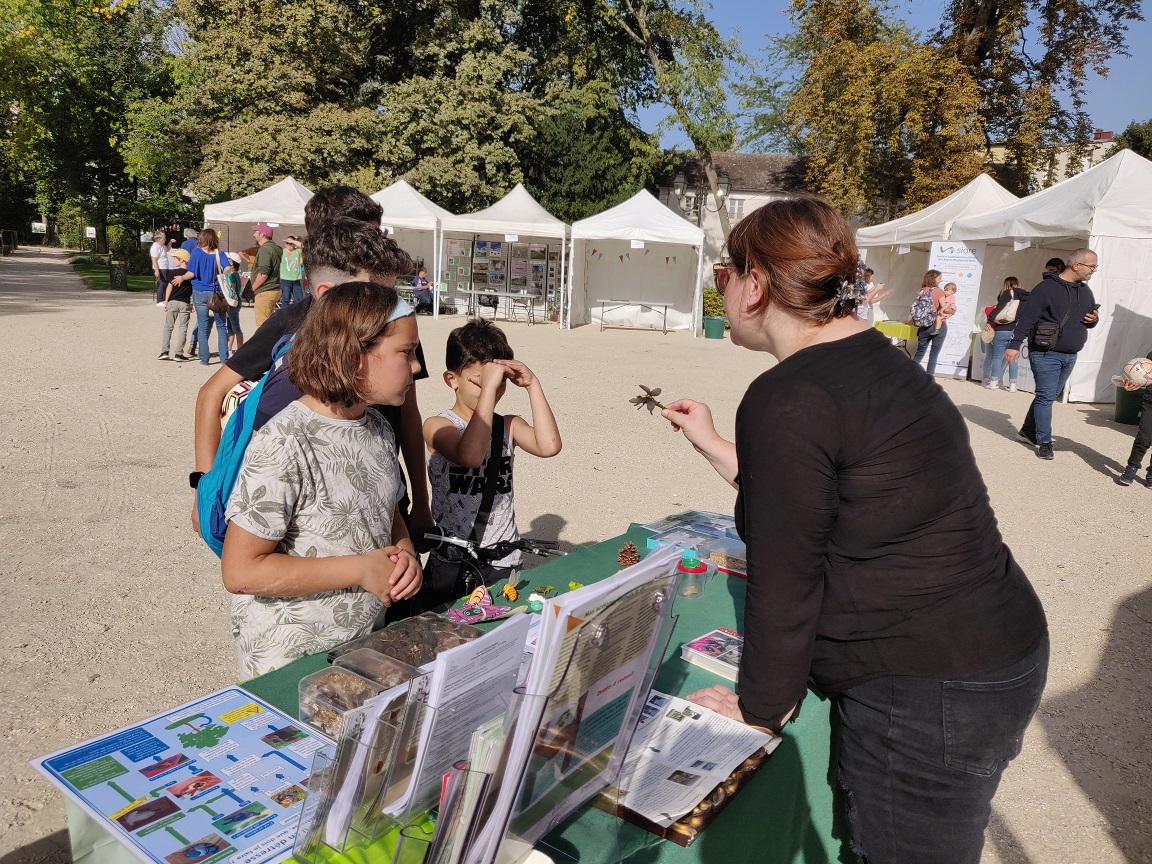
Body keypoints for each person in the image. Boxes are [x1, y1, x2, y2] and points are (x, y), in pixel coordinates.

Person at [662, 196, 1048, 864]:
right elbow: (821, 500)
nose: (721, 290)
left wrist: (762, 705)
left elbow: (786, 576)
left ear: (755, 285)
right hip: (991, 650)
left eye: (725, 275)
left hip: (928, 683)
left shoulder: (788, 397)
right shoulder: (873, 358)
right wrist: (715, 443)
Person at [193, 199, 432, 545]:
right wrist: (205, 492)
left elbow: (407, 414)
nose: (392, 304)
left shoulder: (394, 326)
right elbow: (246, 565)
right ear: (329, 294)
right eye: (379, 293)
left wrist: (418, 507)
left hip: (378, 490)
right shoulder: (290, 378)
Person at [221, 281, 424, 677]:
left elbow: (387, 508)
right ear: (354, 355)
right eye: (407, 353)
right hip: (291, 663)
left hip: (360, 647)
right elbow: (241, 572)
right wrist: (361, 570)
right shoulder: (287, 441)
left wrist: (405, 555)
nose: (416, 366)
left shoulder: (378, 428)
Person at [422, 319, 562, 608]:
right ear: (452, 380)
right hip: (454, 561)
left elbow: (549, 446)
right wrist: (489, 389)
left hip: (503, 560)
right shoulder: (437, 426)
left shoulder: (507, 426)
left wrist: (532, 385)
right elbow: (470, 455)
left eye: (499, 384)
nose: (493, 390)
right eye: (480, 381)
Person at [1004, 249, 1100, 460]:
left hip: (1070, 354)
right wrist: (1014, 344)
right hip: (1046, 352)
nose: (1094, 270)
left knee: (1045, 396)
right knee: (1046, 397)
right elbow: (1027, 319)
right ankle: (1043, 442)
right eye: (1092, 266)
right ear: (1076, 265)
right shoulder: (1045, 288)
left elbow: (1090, 318)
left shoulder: (1085, 291)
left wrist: (1093, 319)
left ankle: (1027, 431)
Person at [167, 229, 232, 366]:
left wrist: (181, 277)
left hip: (200, 292)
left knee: (202, 325)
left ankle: (204, 358)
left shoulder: (196, 253)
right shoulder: (220, 254)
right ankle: (224, 358)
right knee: (221, 326)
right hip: (217, 293)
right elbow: (228, 269)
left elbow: (191, 273)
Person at [982, 277, 1029, 391]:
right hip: (1017, 331)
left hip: (1003, 329)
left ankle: (993, 382)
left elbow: (998, 309)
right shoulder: (1026, 296)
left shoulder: (1007, 293)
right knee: (1013, 358)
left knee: (998, 356)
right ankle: (1013, 385)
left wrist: (990, 321)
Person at [1115, 351, 1152, 487]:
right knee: (1144, 437)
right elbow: (1143, 376)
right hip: (1150, 403)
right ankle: (1132, 466)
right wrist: (1132, 383)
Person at [910, 269, 946, 375]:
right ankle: (929, 377)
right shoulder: (939, 291)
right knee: (933, 354)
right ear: (934, 279)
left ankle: (909, 373)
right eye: (939, 278)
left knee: (919, 352)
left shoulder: (920, 291)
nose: (940, 280)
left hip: (922, 325)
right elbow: (944, 307)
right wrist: (952, 309)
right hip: (937, 325)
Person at [159, 253, 194, 361]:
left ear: (182, 260)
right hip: (185, 303)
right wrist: (193, 303)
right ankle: (178, 353)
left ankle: (164, 351)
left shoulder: (173, 273)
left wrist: (166, 302)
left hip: (173, 302)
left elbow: (169, 288)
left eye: (175, 258)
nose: (173, 260)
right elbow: (193, 290)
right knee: (183, 328)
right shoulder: (190, 274)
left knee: (168, 328)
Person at [249, 223, 283, 326]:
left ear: (262, 234)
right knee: (269, 324)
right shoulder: (277, 248)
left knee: (262, 326)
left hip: (265, 290)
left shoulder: (265, 249)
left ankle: (265, 342)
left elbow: (263, 273)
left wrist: (252, 288)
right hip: (275, 288)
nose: (254, 234)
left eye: (256, 232)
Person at [224, 253, 245, 353]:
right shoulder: (234, 274)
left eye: (228, 260)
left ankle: (240, 349)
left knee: (235, 327)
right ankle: (229, 348)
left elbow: (232, 290)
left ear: (232, 263)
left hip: (232, 304)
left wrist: (228, 304)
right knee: (230, 328)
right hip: (233, 303)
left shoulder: (232, 275)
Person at [150, 230, 174, 307]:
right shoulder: (155, 247)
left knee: (165, 283)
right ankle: (159, 300)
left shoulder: (162, 246)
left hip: (165, 266)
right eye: (164, 239)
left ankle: (163, 299)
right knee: (162, 283)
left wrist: (170, 242)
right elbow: (154, 259)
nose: (165, 240)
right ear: (159, 239)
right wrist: (157, 270)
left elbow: (168, 249)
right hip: (160, 267)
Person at [279, 235, 304, 308]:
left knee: (299, 298)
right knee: (286, 298)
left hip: (296, 279)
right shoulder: (282, 252)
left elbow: (303, 246)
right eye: (287, 243)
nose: (289, 245)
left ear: (294, 244)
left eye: (290, 243)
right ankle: (284, 314)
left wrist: (293, 241)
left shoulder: (297, 251)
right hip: (285, 279)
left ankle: (299, 314)